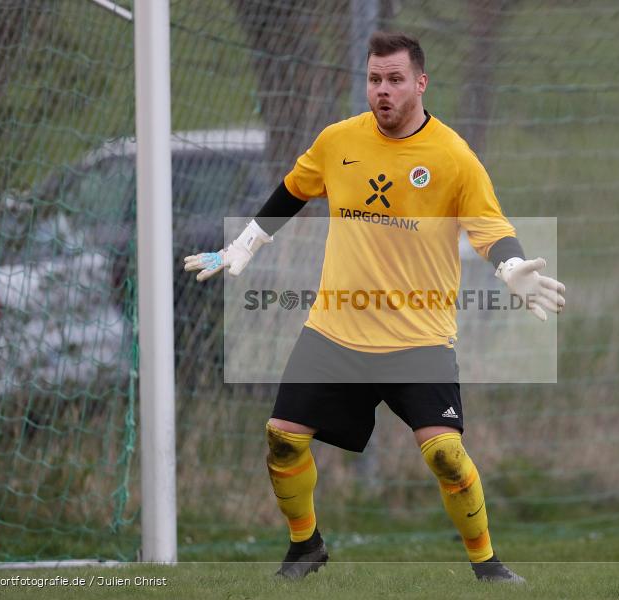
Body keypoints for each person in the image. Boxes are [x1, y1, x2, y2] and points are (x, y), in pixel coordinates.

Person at [184, 31, 565, 583]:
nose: (382, 91)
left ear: (420, 83)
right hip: (336, 328)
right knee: (282, 438)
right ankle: (304, 547)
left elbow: (489, 228)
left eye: (394, 80)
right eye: (374, 79)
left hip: (419, 336)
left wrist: (510, 267)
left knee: (445, 457)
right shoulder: (339, 140)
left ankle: (489, 566)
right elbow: (293, 189)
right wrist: (243, 245)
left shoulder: (453, 156)